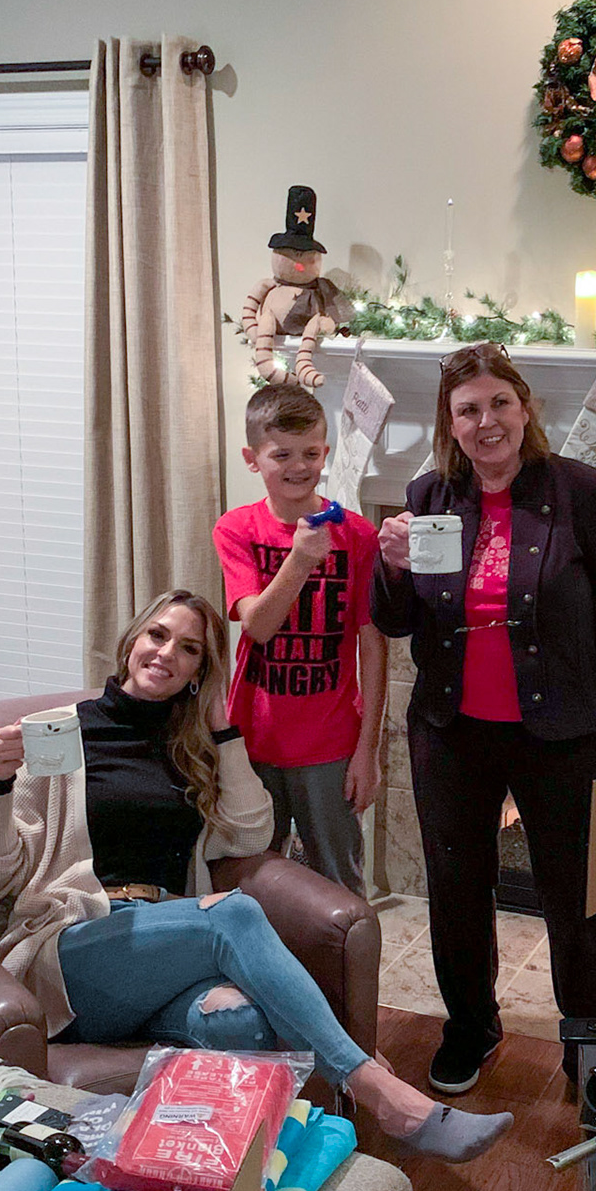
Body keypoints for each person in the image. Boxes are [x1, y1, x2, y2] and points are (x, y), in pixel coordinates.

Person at [0, 589, 511, 1162]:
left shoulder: (190, 745)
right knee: (233, 912)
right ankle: (377, 1088)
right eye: (157, 635)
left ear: (200, 671)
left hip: (164, 950)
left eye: (189, 648)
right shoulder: (59, 736)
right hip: (78, 948)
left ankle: (217, 1177)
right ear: (132, 641)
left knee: (238, 1024)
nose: (166, 653)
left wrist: (223, 731)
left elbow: (249, 834)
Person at [371, 344, 596, 1096]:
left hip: (559, 732)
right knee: (456, 889)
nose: (486, 421)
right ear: (451, 424)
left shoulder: (581, 491)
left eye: (499, 402)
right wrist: (390, 565)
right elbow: (398, 622)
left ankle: (590, 1048)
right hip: (450, 729)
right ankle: (472, 1027)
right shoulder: (430, 495)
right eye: (468, 410)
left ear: (524, 409)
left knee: (579, 901)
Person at [212, 383, 384, 894]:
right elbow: (258, 626)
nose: (298, 466)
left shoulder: (358, 535)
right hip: (253, 740)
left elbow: (374, 646)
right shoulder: (236, 529)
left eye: (310, 453)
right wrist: (302, 558)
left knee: (339, 883)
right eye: (281, 455)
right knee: (252, 879)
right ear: (252, 459)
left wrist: (368, 750)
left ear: (325, 453)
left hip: (331, 745)